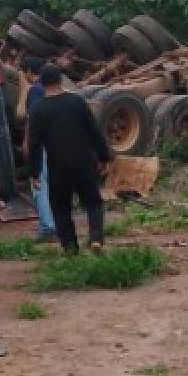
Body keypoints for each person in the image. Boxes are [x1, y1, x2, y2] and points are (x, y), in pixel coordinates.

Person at [26, 64, 113, 254]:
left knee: (60, 208)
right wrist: (104, 156)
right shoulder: (76, 102)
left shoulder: (37, 110)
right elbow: (93, 131)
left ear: (41, 82)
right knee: (93, 202)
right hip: (84, 162)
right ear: (60, 80)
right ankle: (96, 237)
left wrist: (34, 172)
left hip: (58, 167)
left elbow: (34, 145)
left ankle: (70, 248)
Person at [21, 56, 57, 242]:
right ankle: (57, 224)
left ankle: (47, 227)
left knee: (39, 185)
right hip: (57, 144)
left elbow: (32, 120)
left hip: (41, 144)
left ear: (28, 71)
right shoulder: (53, 90)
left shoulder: (34, 92)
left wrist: (27, 142)